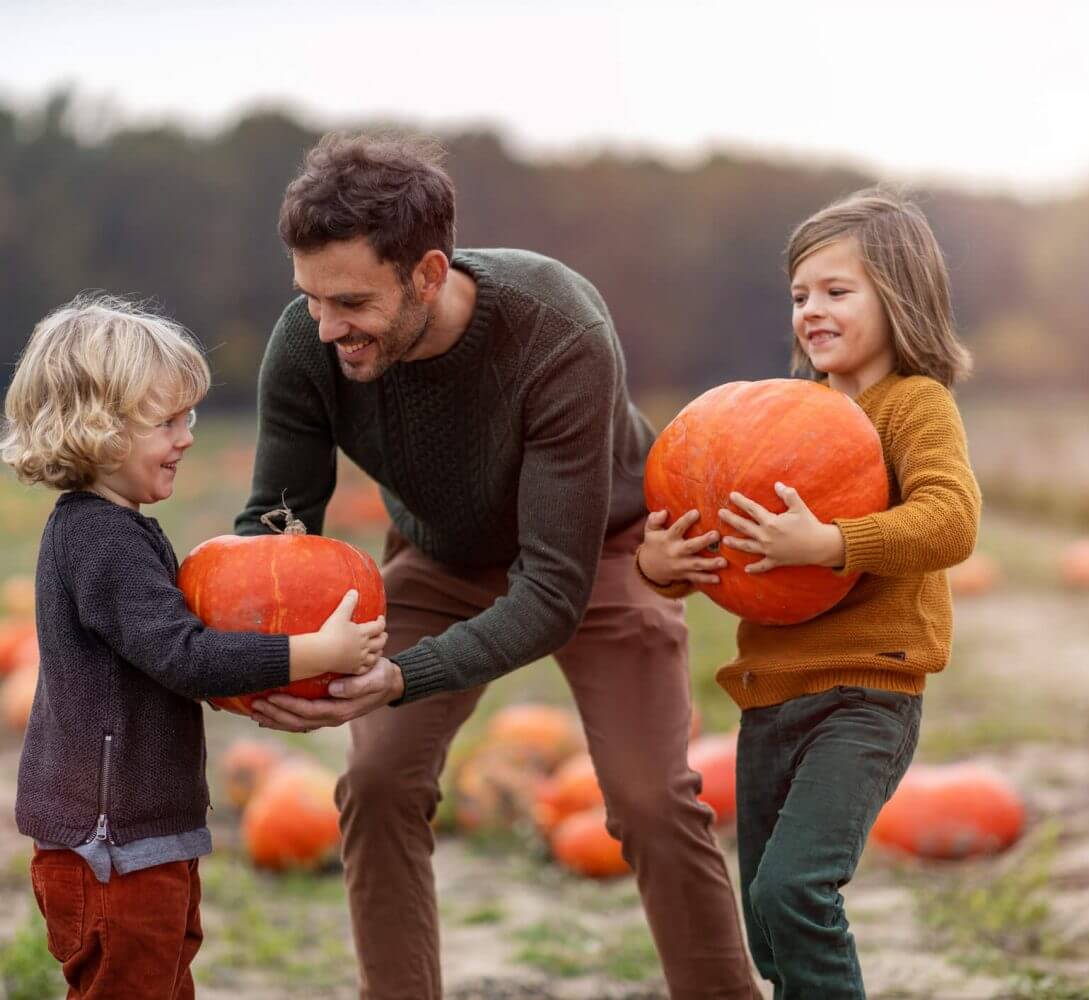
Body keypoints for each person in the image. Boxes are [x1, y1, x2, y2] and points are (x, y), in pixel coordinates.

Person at [238, 134, 759, 1000]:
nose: (326, 328)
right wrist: (259, 652)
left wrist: (404, 674)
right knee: (374, 781)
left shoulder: (556, 333)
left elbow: (552, 591)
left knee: (651, 802)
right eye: (310, 297)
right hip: (439, 557)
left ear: (430, 273)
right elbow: (273, 526)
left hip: (598, 552)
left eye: (351, 301)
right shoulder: (308, 343)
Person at [636, 189, 981, 999]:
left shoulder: (915, 406)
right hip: (772, 699)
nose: (811, 311)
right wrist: (660, 563)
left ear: (897, 297)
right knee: (767, 920)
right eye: (799, 296)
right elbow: (710, 547)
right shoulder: (782, 422)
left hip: (867, 693)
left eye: (836, 291)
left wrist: (832, 545)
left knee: (795, 891)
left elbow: (952, 520)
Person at [0, 294, 385, 998]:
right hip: (112, 851)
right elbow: (185, 655)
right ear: (99, 429)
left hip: (141, 838)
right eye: (166, 421)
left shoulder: (117, 527)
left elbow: (166, 662)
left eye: (190, 416)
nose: (188, 436)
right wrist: (311, 653)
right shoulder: (101, 541)